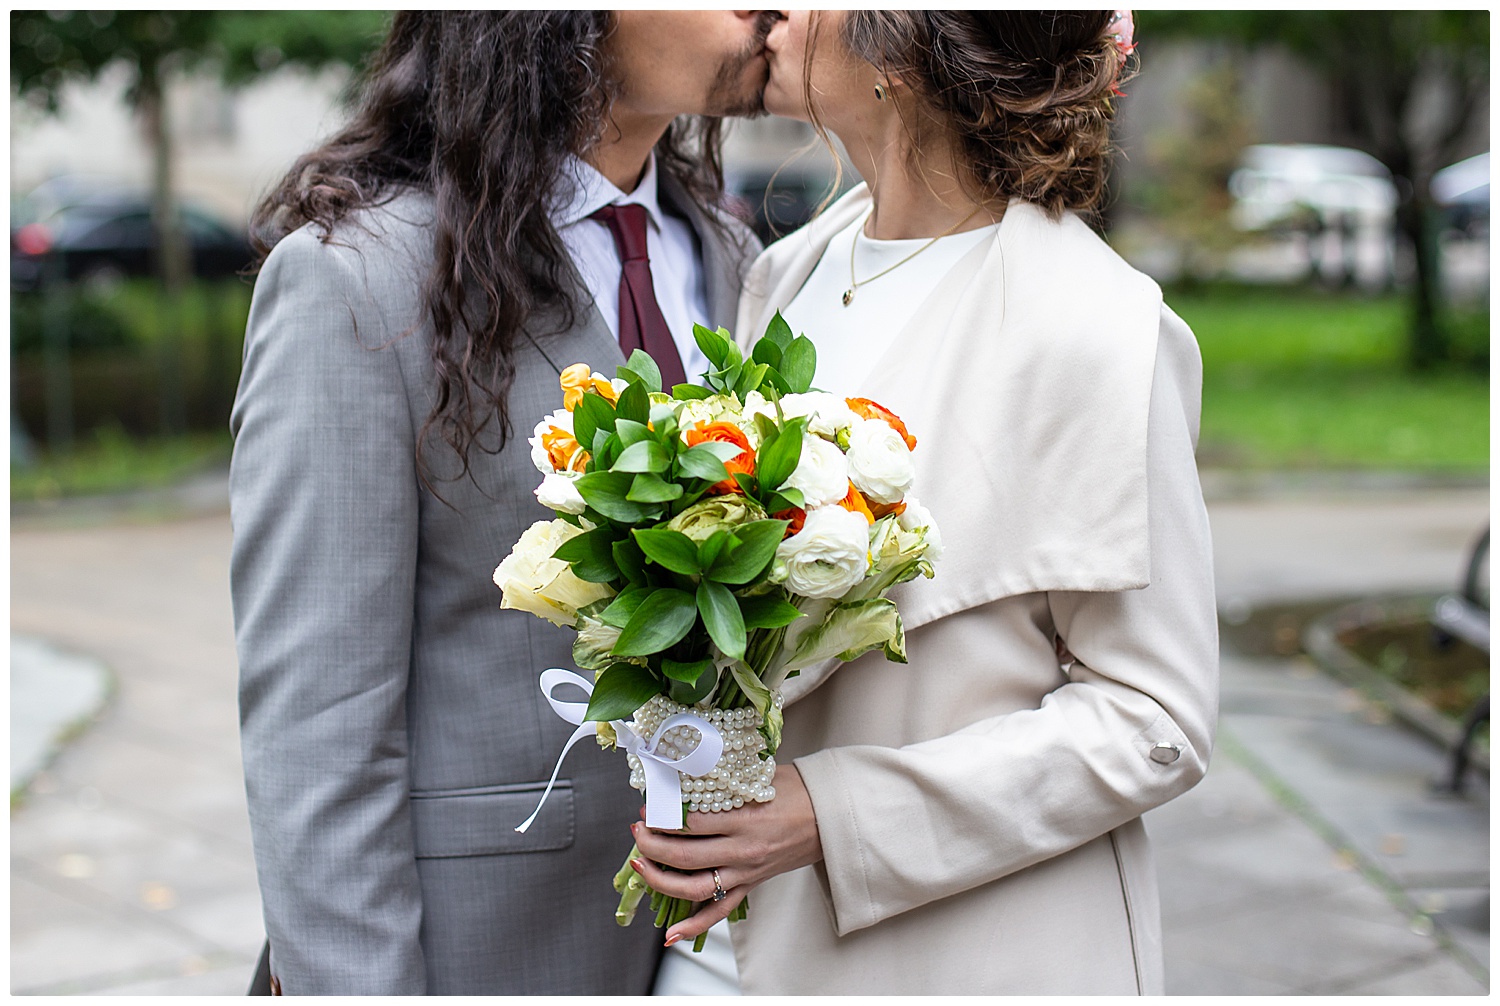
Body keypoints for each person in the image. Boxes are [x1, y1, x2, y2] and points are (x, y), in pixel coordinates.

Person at [629, 10, 1219, 995]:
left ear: (900, 50)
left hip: (971, 951)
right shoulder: (788, 274)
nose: (772, 10)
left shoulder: (1097, 328)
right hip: (732, 942)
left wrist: (833, 812)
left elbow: (1154, 718)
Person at [229, 11, 772, 995]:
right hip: (482, 946)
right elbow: (318, 727)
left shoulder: (737, 260)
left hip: (719, 942)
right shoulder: (357, 277)